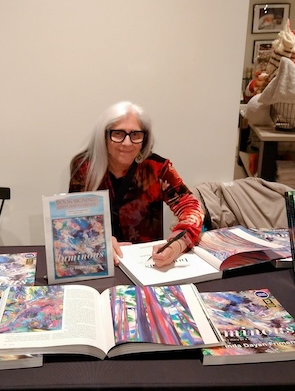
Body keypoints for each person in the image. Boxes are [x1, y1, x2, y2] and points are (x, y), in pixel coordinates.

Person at [69, 100, 205, 268]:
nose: (127, 143)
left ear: (144, 138)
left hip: (147, 264)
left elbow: (191, 207)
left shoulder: (157, 168)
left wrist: (177, 244)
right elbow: (73, 219)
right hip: (98, 260)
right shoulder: (84, 167)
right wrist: (99, 240)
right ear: (104, 136)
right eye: (118, 133)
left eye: (135, 134)